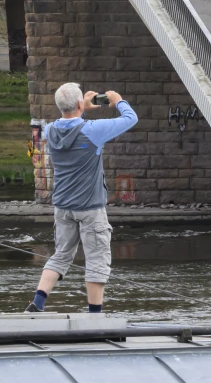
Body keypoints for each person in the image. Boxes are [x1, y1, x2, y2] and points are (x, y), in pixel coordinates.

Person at [27, 83, 137, 313]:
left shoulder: (49, 131)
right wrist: (118, 101)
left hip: (63, 206)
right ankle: (94, 316)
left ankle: (37, 303)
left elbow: (70, 126)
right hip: (90, 207)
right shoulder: (93, 130)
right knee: (96, 257)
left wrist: (81, 109)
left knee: (61, 254)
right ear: (78, 104)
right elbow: (130, 118)